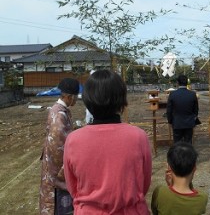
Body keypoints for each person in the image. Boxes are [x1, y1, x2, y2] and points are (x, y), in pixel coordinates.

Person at [63, 69, 152, 214]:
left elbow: (73, 188)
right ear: (121, 99)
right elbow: (144, 184)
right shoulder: (138, 136)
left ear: (87, 100)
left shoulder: (73, 140)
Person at [39, 77, 80, 215]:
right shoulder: (59, 115)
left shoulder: (58, 110)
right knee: (59, 207)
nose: (77, 100)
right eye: (75, 97)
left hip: (52, 165)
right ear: (69, 97)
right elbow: (57, 149)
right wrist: (67, 171)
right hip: (57, 170)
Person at [151, 142, 208, 215]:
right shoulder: (202, 198)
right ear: (194, 168)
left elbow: (155, 211)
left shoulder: (160, 192)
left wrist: (170, 185)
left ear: (169, 167)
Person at [166, 75, 199, 144]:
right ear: (187, 83)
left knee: (177, 143)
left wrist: (170, 121)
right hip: (189, 123)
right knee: (188, 142)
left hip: (177, 123)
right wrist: (193, 119)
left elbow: (169, 110)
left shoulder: (172, 94)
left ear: (177, 83)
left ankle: (178, 154)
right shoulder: (192, 94)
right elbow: (196, 110)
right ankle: (188, 154)